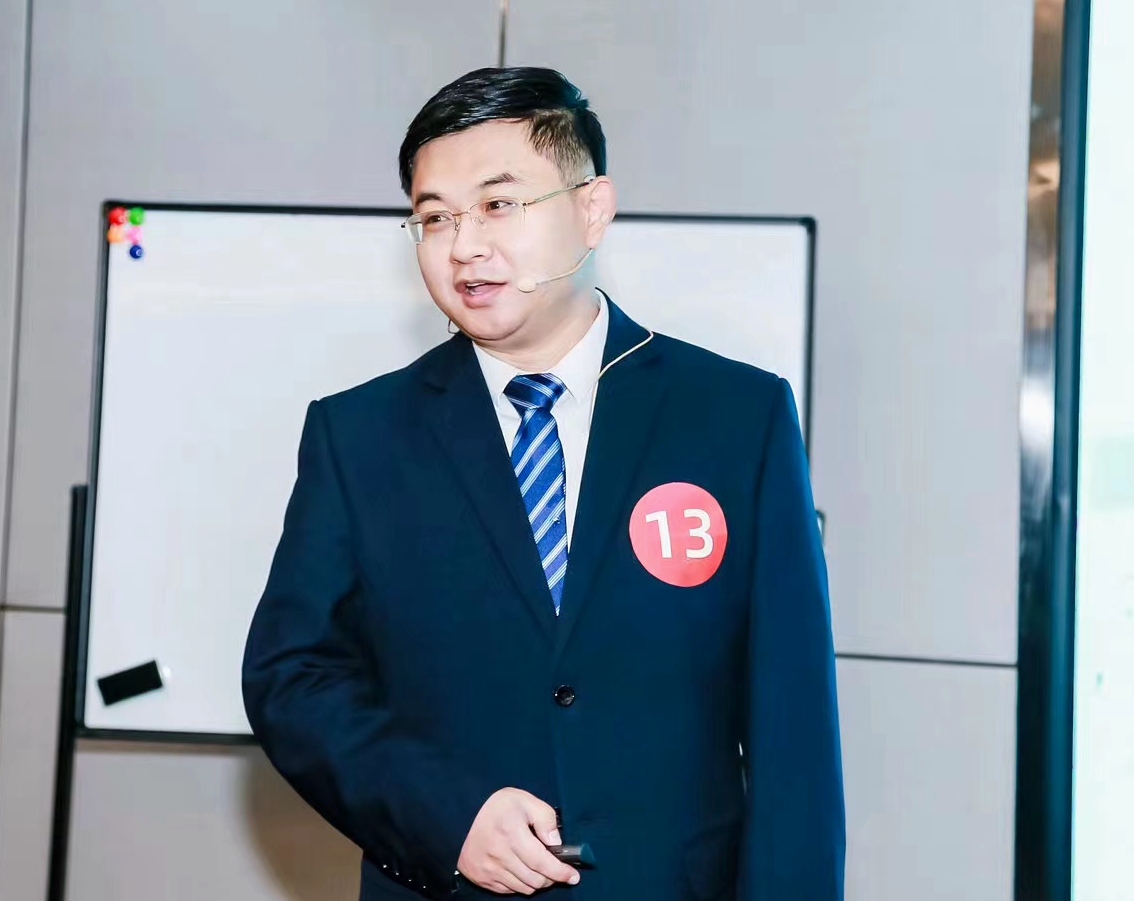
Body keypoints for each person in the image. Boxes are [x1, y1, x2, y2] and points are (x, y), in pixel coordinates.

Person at [241, 66, 844, 901]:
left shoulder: (737, 418)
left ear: (591, 209)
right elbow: (293, 680)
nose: (464, 246)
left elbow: (793, 728)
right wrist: (446, 815)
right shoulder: (360, 435)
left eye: (498, 203)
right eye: (434, 217)